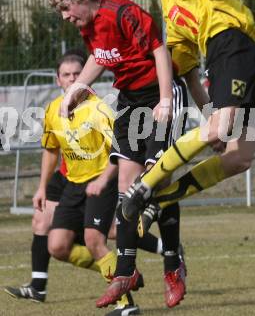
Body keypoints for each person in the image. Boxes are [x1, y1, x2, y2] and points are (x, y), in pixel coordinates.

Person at [46, 0, 188, 309]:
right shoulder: (88, 27)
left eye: (66, 8)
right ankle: (126, 271)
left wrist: (165, 100)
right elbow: (99, 57)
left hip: (158, 94)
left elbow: (159, 51)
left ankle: (172, 265)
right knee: (128, 188)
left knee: (154, 181)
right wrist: (74, 90)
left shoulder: (123, 13)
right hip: (130, 99)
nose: (65, 17)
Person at [121, 0, 255, 230]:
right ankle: (144, 185)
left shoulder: (170, 22)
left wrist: (213, 120)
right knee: (217, 130)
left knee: (240, 157)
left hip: (247, 55)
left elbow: (191, 79)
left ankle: (160, 200)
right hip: (229, 44)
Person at [4, 50, 163, 316]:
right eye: (66, 75)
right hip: (73, 184)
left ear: (86, 78)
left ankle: (126, 304)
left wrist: (109, 179)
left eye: (78, 74)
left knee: (95, 238)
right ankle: (120, 271)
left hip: (102, 180)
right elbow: (51, 150)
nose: (72, 79)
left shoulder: (98, 108)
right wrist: (42, 186)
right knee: (57, 245)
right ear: (58, 80)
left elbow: (122, 146)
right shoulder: (53, 110)